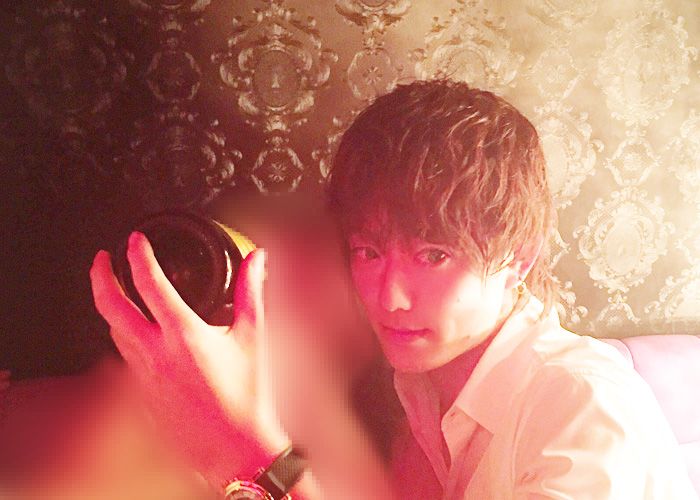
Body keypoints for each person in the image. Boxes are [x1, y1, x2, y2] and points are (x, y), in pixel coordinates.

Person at [90, 80, 697, 499]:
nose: (391, 299)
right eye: (370, 251)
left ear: (517, 260)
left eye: (434, 255)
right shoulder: (423, 388)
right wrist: (302, 393)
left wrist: (247, 455)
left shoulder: (580, 407)